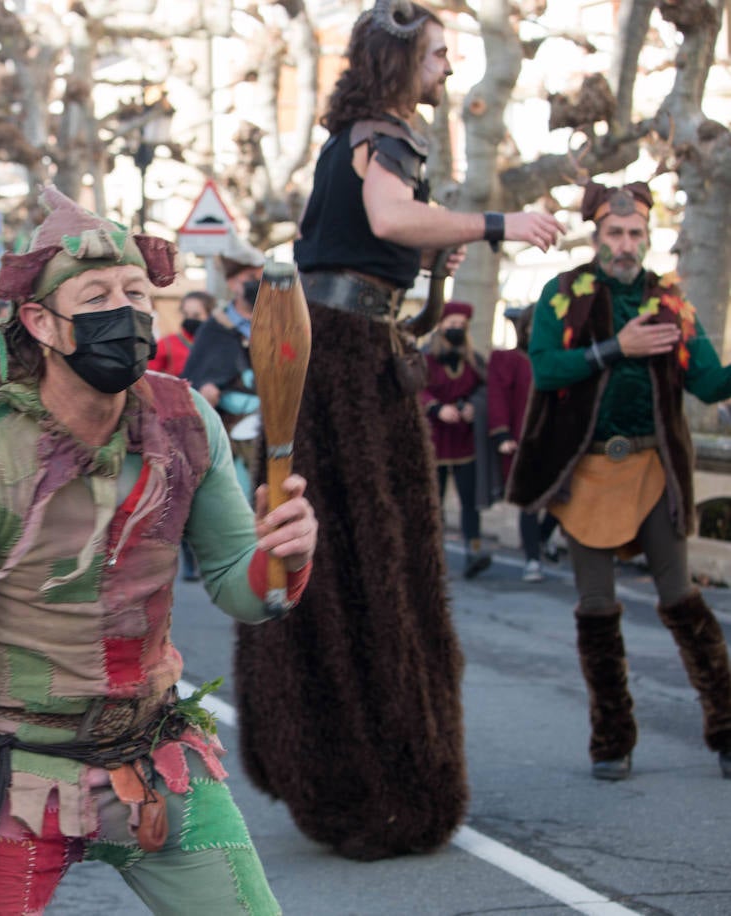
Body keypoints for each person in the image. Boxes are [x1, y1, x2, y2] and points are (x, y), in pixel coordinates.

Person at [0, 187, 317, 916]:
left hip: (155, 762)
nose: (124, 310)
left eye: (134, 291)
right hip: (9, 783)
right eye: (95, 295)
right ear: (41, 323)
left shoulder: (187, 422)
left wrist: (286, 555)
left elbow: (244, 592)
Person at [235, 0, 564, 861]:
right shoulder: (388, 133)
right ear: (399, 63)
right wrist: (497, 225)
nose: (449, 67)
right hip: (342, 364)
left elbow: (361, 245)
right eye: (438, 54)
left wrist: (426, 259)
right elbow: (386, 219)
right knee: (373, 563)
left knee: (337, 561)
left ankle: (336, 763)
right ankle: (380, 776)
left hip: (330, 351)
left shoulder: (352, 139)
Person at [509, 180, 731, 782]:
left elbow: (709, 384)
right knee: (597, 607)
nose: (626, 244)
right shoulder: (565, 294)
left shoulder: (672, 304)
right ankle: (612, 738)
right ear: (597, 236)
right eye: (615, 233)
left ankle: (728, 728)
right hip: (587, 473)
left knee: (681, 599)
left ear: (647, 237)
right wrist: (617, 347)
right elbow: (546, 370)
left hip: (655, 469)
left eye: (635, 234)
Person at [180, 238, 270, 499]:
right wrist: (205, 391)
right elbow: (194, 384)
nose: (257, 282)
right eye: (251, 277)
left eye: (261, 276)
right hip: (233, 440)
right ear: (233, 283)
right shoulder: (215, 330)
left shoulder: (277, 323)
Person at [422, 300, 492, 578]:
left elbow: (486, 389)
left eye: (461, 326)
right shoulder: (426, 359)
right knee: (433, 501)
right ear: (440, 326)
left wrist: (473, 405)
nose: (456, 329)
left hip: (464, 441)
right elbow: (417, 390)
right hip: (435, 441)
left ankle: (473, 550)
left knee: (470, 501)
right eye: (452, 325)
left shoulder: (473, 360)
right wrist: (437, 408)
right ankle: (433, 555)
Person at [488, 305, 558, 582]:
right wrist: (502, 434)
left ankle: (542, 538)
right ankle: (532, 559)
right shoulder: (511, 360)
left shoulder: (560, 360)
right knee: (529, 501)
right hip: (523, 440)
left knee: (564, 498)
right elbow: (497, 397)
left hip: (556, 440)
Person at [149, 290, 215, 377]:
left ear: (209, 316)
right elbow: (149, 376)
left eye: (196, 315)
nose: (189, 319)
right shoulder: (166, 343)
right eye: (185, 314)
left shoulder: (218, 343)